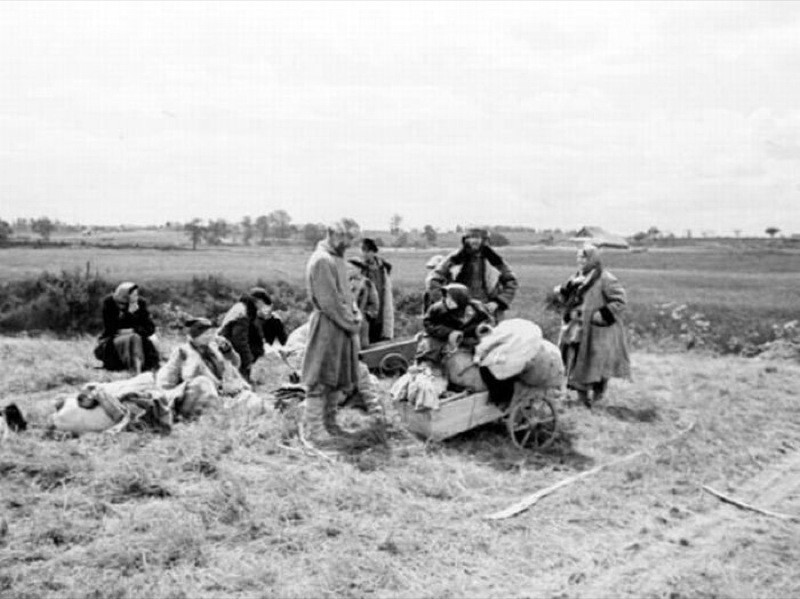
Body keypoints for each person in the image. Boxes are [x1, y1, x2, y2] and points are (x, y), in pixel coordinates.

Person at [301, 219, 363, 447]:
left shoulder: (335, 259)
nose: (348, 243)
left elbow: (346, 296)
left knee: (336, 378)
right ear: (331, 234)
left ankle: (329, 423)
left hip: (341, 326)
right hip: (329, 326)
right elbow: (330, 302)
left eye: (351, 239)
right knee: (320, 378)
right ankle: (315, 430)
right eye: (344, 238)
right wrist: (351, 322)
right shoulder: (322, 261)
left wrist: (355, 314)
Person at [553, 243, 631, 407]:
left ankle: (597, 396)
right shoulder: (574, 278)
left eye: (583, 257)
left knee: (596, 364)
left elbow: (620, 300)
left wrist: (600, 315)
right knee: (574, 361)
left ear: (593, 259)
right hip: (575, 327)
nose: (580, 260)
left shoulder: (605, 278)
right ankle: (581, 398)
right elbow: (569, 299)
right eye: (578, 257)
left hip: (597, 330)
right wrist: (562, 292)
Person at [156, 317, 250, 419]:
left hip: (215, 391)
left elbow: (235, 364)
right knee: (203, 382)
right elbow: (188, 375)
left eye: (211, 333)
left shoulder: (212, 348)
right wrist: (220, 386)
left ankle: (227, 407)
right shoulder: (183, 351)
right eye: (205, 334)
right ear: (195, 336)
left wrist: (228, 351)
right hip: (185, 394)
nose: (209, 336)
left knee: (244, 388)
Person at [427, 226, 518, 321]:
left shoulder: (495, 261)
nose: (474, 241)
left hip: (487, 310)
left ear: (484, 240)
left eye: (478, 237)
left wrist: (498, 302)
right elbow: (433, 280)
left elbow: (511, 282)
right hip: (458, 310)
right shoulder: (454, 259)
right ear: (465, 240)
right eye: (471, 237)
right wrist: (445, 303)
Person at [417, 282, 493, 366]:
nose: (447, 301)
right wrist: (449, 332)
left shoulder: (477, 308)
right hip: (444, 339)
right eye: (446, 297)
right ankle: (428, 368)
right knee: (432, 348)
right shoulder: (437, 309)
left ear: (460, 298)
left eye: (451, 298)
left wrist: (481, 328)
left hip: (470, 337)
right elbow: (428, 324)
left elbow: (489, 321)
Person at [94, 282, 160, 374]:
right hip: (114, 340)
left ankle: (140, 366)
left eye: (124, 304)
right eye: (119, 303)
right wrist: (127, 315)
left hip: (139, 337)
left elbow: (150, 328)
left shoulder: (140, 304)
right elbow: (110, 328)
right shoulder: (109, 303)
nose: (121, 306)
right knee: (131, 339)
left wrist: (133, 329)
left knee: (140, 339)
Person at [217, 287, 272, 383]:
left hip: (229, 340)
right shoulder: (242, 313)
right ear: (258, 301)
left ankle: (244, 376)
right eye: (262, 304)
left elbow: (254, 332)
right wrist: (248, 361)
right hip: (226, 345)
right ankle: (241, 377)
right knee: (251, 351)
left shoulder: (244, 307)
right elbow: (239, 340)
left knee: (256, 347)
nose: (262, 307)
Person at [360, 238, 395, 342]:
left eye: (367, 251)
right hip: (367, 308)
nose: (365, 254)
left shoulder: (383, 267)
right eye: (363, 251)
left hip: (381, 306)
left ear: (373, 252)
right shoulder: (361, 267)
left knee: (380, 334)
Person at [348, 259, 380, 348]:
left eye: (351, 268)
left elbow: (374, 302)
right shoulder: (346, 282)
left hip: (362, 320)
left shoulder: (366, 283)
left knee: (362, 345)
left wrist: (367, 315)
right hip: (348, 319)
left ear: (359, 269)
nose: (349, 271)